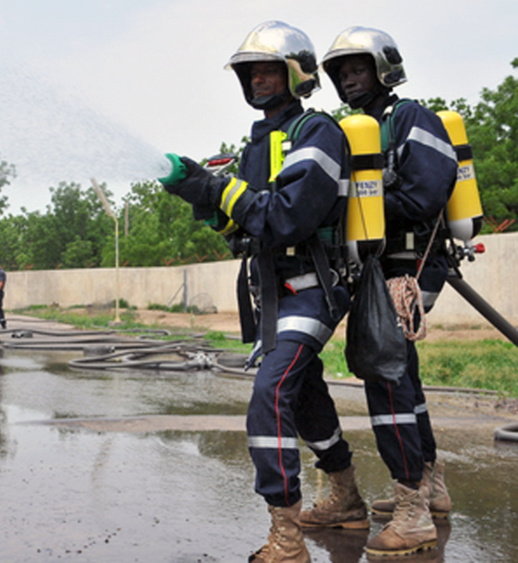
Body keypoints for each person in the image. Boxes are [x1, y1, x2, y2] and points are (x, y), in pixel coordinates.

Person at [159, 21, 362, 562]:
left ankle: (287, 538)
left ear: (296, 74)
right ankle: (345, 494)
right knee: (305, 396)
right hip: (274, 290)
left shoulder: (317, 132)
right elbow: (245, 229)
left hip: (313, 287)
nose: (258, 80)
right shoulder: (257, 147)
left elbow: (287, 218)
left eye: (269, 70)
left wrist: (216, 187)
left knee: (269, 396)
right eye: (250, 73)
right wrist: (200, 197)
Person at [321, 27, 456, 557]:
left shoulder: (410, 118)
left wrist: (353, 204)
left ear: (384, 69)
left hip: (411, 266)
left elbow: (425, 195)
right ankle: (430, 487)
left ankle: (412, 510)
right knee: (404, 376)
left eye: (358, 68)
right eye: (342, 73)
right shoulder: (355, 131)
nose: (349, 80)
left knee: (385, 373)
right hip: (380, 270)